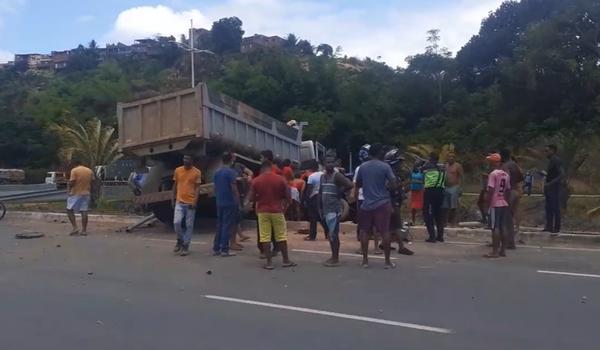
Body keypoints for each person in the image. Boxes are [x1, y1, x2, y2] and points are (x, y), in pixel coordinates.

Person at [246, 160, 296, 270]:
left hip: (262, 211)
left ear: (262, 168)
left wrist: (257, 200)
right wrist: (284, 208)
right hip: (277, 211)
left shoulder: (256, 180)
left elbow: (251, 198)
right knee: (281, 236)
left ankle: (269, 263)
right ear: (270, 166)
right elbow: (289, 197)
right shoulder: (280, 179)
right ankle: (286, 260)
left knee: (265, 237)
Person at [355, 143, 397, 269]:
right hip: (382, 203)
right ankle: (387, 262)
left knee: (364, 231)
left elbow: (358, 184)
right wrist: (386, 187)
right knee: (385, 231)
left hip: (366, 203)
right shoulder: (385, 166)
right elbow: (393, 184)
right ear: (379, 153)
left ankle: (365, 261)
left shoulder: (363, 167)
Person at [318, 154, 354, 267]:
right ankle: (333, 256)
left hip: (334, 209)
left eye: (331, 162)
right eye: (327, 162)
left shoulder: (337, 176)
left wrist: (340, 192)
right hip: (325, 209)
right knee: (330, 234)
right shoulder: (322, 177)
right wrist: (319, 207)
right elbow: (320, 192)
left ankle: (335, 258)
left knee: (333, 234)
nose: (330, 164)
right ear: (323, 164)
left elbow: (349, 184)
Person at [384, 148, 414, 256]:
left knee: (393, 226)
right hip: (391, 203)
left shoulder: (392, 174)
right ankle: (398, 246)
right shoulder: (389, 174)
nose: (400, 165)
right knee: (393, 225)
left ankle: (389, 244)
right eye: (399, 162)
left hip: (393, 202)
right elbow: (390, 189)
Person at [353, 144, 381, 254]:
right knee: (375, 224)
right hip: (374, 198)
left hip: (362, 199)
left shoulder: (359, 168)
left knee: (363, 225)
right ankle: (376, 248)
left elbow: (356, 185)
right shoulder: (380, 166)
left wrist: (355, 199)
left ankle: (362, 248)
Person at [172, 154, 202, 256]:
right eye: (184, 158)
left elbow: (198, 188)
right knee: (176, 222)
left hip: (190, 202)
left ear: (192, 160)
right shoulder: (178, 170)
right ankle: (180, 239)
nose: (185, 160)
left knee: (189, 225)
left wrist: (195, 201)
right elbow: (175, 185)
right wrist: (173, 199)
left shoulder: (197, 172)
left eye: (188, 158)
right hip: (179, 201)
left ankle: (186, 245)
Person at [484, 153, 512, 258]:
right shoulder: (506, 174)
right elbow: (508, 190)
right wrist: (507, 201)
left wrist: (487, 204)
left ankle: (495, 251)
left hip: (495, 204)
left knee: (495, 227)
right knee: (503, 226)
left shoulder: (493, 174)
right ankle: (503, 250)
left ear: (494, 162)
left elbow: (490, 190)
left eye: (490, 161)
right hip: (503, 202)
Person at [212, 152, 240, 257]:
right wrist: (237, 201)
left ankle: (216, 248)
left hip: (219, 202)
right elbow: (234, 188)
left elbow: (215, 188)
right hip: (229, 202)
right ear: (231, 160)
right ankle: (224, 249)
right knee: (227, 226)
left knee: (219, 225)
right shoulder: (231, 172)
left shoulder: (217, 172)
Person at [501, 149, 525, 247]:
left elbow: (506, 179)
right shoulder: (514, 165)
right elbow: (521, 177)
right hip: (515, 191)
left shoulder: (505, 166)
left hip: (509, 192)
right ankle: (510, 241)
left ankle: (509, 242)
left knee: (506, 218)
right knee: (510, 217)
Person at [422, 152, 446, 243]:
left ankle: (432, 237)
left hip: (430, 191)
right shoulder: (442, 168)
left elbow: (418, 169)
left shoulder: (427, 167)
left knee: (428, 214)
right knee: (439, 215)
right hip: (440, 191)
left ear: (430, 159)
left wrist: (422, 163)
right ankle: (440, 236)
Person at [66, 160, 94, 236]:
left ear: (75, 164)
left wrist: (68, 188)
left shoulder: (74, 170)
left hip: (75, 193)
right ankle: (84, 230)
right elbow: (92, 181)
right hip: (86, 193)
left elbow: (72, 182)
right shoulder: (89, 170)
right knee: (84, 211)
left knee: (69, 209)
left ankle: (75, 227)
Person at [543, 144, 565, 234]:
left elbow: (562, 174)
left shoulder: (556, 160)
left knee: (555, 207)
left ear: (553, 150)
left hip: (554, 188)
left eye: (547, 151)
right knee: (548, 207)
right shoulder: (551, 160)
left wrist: (550, 183)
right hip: (549, 188)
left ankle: (556, 227)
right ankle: (549, 226)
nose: (546, 153)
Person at [305, 161, 328, 241]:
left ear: (311, 168)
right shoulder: (323, 174)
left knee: (313, 218)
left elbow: (309, 189)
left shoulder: (311, 176)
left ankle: (312, 236)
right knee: (322, 216)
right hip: (324, 197)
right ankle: (328, 234)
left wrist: (307, 200)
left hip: (314, 197)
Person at [443, 153, 464, 227]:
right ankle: (445, 222)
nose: (451, 158)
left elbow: (461, 177)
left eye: (452, 157)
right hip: (445, 187)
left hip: (454, 187)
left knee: (453, 206)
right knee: (445, 206)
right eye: (449, 157)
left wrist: (460, 188)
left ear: (455, 158)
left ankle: (453, 222)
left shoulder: (457, 166)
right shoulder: (445, 165)